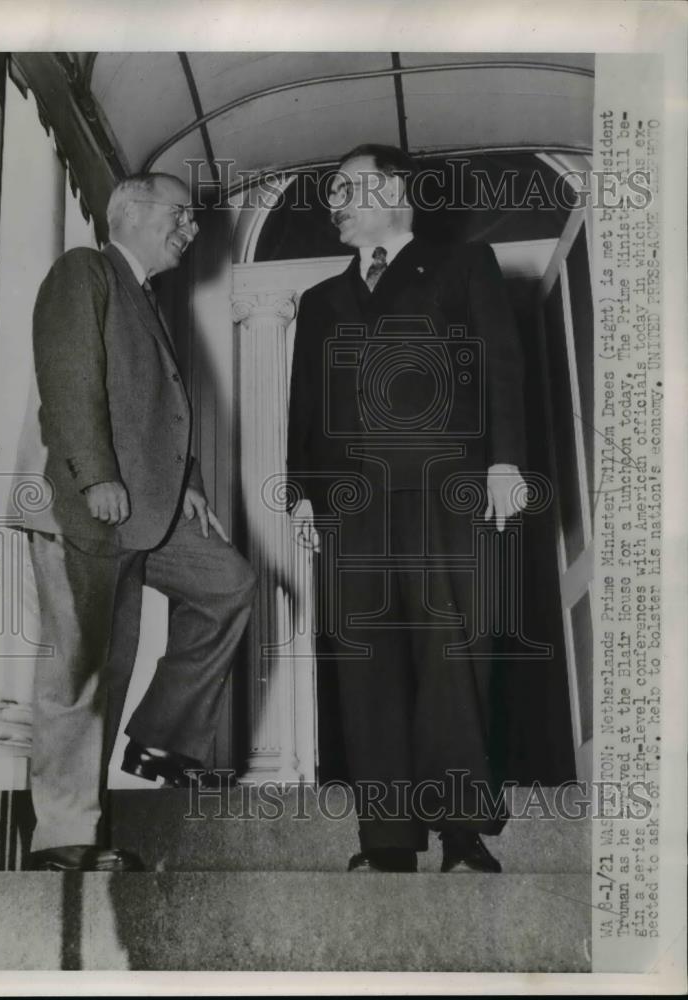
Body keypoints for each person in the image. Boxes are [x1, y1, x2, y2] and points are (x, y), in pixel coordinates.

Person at [287, 144, 527, 874]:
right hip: (353, 501)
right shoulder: (321, 300)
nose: (336, 203)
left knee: (450, 650)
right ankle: (387, 839)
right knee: (368, 660)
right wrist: (302, 492)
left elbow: (501, 364)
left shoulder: (463, 267)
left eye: (347, 188)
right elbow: (306, 405)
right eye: (330, 193)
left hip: (444, 487)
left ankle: (460, 827)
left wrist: (506, 460)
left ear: (395, 190)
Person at [20, 172, 256, 871]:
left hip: (147, 504)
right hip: (85, 501)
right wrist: (96, 475)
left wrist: (188, 486)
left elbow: (161, 410)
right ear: (131, 213)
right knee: (81, 670)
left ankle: (161, 736)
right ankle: (64, 839)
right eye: (181, 216)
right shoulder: (84, 271)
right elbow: (69, 376)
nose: (192, 231)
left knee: (228, 584)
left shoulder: (146, 298)